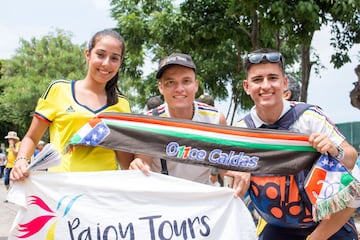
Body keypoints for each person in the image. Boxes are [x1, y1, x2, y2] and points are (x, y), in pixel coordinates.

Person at [236, 48, 359, 240]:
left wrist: (335, 150)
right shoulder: (242, 130)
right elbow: (223, 170)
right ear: (246, 86)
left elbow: (351, 158)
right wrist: (235, 170)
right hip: (278, 227)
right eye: (257, 79)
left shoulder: (310, 118)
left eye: (273, 78)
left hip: (327, 225)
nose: (266, 86)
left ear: (284, 83)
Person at [10, 29, 133, 181]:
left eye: (114, 58)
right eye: (100, 55)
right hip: (61, 191)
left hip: (104, 193)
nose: (106, 63)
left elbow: (125, 160)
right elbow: (32, 137)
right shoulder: (59, 90)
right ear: (88, 54)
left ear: (120, 63)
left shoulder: (123, 105)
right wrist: (21, 160)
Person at [129, 53, 234, 186]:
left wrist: (237, 176)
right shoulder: (149, 122)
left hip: (202, 197)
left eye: (186, 81)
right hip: (162, 198)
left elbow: (227, 169)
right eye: (171, 82)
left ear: (196, 85)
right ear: (161, 87)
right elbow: (144, 162)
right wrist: (139, 167)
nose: (179, 89)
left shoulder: (215, 119)